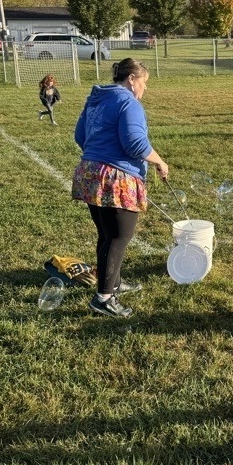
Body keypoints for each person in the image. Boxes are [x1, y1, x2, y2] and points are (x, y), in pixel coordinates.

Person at [71, 58, 169, 318]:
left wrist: (99, 155)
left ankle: (113, 282)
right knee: (118, 238)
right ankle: (103, 298)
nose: (145, 89)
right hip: (116, 178)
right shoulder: (128, 102)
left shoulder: (96, 99)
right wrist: (160, 161)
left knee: (106, 234)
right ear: (132, 80)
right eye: (144, 83)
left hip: (90, 173)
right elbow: (135, 144)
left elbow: (80, 136)